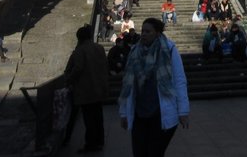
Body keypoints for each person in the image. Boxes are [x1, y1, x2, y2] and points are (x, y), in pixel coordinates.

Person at [119, 18, 190, 157]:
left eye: (148, 31)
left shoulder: (169, 49)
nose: (144, 34)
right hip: (140, 112)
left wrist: (183, 111)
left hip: (161, 111)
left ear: (157, 33)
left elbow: (179, 80)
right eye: (142, 31)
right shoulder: (135, 51)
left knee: (154, 152)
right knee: (139, 152)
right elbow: (128, 85)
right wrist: (123, 113)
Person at [64, 25, 109, 154]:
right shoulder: (99, 48)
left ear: (78, 38)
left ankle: (91, 143)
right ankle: (100, 141)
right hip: (99, 87)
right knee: (98, 116)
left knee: (89, 118)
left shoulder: (80, 50)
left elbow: (77, 68)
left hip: (86, 89)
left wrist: (69, 79)